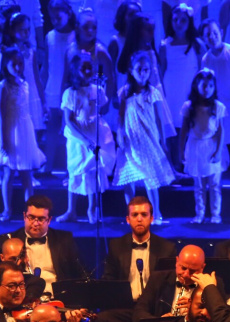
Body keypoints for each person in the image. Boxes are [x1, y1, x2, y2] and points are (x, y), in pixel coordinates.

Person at [115, 50, 175, 224]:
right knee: (128, 176)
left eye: (146, 70)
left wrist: (162, 141)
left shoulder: (152, 92)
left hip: (148, 139)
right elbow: (121, 116)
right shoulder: (125, 92)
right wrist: (120, 133)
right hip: (130, 139)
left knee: (151, 177)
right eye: (139, 69)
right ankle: (131, 213)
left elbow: (158, 118)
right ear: (131, 70)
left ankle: (156, 212)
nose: (143, 73)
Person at [57, 53, 116, 224]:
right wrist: (84, 140)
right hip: (77, 136)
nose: (88, 71)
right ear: (75, 71)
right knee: (75, 169)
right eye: (84, 68)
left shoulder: (96, 90)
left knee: (92, 169)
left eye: (90, 67)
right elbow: (68, 120)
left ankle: (92, 209)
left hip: (93, 131)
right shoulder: (70, 93)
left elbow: (102, 108)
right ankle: (71, 210)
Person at [0, 46, 47, 220]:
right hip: (10, 131)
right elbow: (1, 115)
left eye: (20, 63)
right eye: (14, 64)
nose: (18, 67)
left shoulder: (24, 84)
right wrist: (3, 140)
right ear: (5, 65)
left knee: (27, 173)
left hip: (25, 130)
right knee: (9, 172)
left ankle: (30, 211)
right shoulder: (2, 87)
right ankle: (6, 209)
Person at [0, 195, 85, 294]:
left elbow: (81, 273)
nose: (35, 223)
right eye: (31, 218)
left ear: (49, 220)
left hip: (58, 300)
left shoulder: (64, 240)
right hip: (22, 300)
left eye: (41, 219)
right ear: (24, 216)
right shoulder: (10, 240)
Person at [200, 19, 230, 187]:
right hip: (219, 106)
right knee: (222, 138)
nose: (212, 37)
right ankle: (220, 172)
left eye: (215, 33)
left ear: (221, 31)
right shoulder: (206, 59)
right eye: (208, 35)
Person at [160, 2, 203, 171]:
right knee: (173, 127)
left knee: (188, 124)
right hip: (171, 89)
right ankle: (174, 165)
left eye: (183, 20)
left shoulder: (197, 44)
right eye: (175, 19)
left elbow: (201, 70)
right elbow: (162, 70)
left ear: (189, 21)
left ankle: (189, 164)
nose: (178, 23)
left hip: (189, 89)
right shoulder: (165, 44)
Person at [181, 68, 226, 224]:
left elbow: (221, 131)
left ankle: (215, 213)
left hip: (211, 147)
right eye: (204, 85)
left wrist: (219, 151)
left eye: (211, 86)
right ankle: (199, 213)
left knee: (214, 184)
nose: (207, 89)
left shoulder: (217, 107)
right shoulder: (189, 106)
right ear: (196, 86)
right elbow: (184, 130)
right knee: (199, 184)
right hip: (195, 148)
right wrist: (180, 150)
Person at [41, 0, 76, 175]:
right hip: (53, 88)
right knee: (52, 128)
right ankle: (48, 165)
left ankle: (71, 167)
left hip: (70, 89)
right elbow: (46, 67)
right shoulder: (49, 36)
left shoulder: (76, 36)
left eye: (59, 15)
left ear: (68, 13)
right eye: (52, 15)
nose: (55, 19)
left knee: (70, 128)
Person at [134, 244, 207, 322]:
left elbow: (218, 317)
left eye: (192, 271)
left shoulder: (211, 284)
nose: (186, 274)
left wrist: (194, 310)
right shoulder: (158, 279)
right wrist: (159, 321)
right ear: (177, 261)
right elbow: (138, 313)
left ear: (202, 268)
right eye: (183, 268)